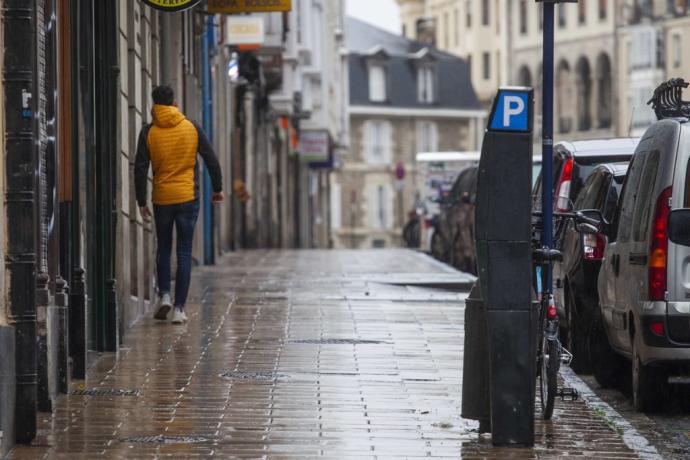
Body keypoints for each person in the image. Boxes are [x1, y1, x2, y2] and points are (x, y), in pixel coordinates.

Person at [134, 85, 224, 324]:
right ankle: (179, 309)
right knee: (184, 251)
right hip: (187, 198)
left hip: (162, 198)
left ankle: (164, 294)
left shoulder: (148, 132)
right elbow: (212, 160)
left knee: (163, 247)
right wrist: (217, 189)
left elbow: (140, 168)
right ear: (174, 102)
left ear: (154, 104)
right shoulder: (191, 127)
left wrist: (141, 201)